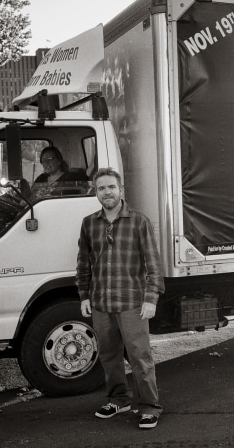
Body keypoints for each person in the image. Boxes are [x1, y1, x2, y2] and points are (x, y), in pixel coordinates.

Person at [76, 167, 165, 429]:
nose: (107, 192)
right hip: (101, 303)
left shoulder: (139, 221)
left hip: (132, 303)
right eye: (101, 188)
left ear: (120, 190)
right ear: (96, 192)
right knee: (109, 355)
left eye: (111, 187)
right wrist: (84, 295)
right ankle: (118, 399)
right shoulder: (89, 223)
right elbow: (83, 263)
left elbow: (153, 263)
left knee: (140, 356)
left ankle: (149, 406)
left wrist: (151, 298)